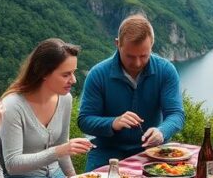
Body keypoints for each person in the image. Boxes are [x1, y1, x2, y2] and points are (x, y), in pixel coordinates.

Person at [78, 15, 185, 169]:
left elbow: (176, 114)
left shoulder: (166, 70)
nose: (137, 63)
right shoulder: (98, 74)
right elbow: (84, 120)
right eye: (130, 56)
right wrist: (113, 123)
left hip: (152, 151)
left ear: (152, 46)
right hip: (107, 151)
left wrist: (162, 132)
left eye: (143, 56)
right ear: (117, 44)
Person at [0, 39, 92, 178]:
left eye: (73, 73)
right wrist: (58, 151)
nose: (74, 80)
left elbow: (63, 144)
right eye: (66, 75)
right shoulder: (12, 105)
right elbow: (12, 165)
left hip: (57, 175)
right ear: (43, 73)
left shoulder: (65, 99)